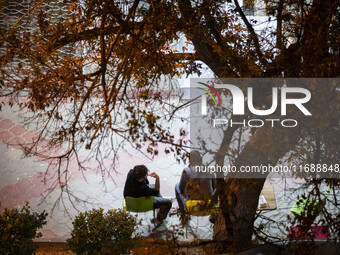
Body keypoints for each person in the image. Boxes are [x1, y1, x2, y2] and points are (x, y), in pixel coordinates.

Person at [175, 151, 216, 222]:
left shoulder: (186, 170)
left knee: (176, 186)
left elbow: (181, 189)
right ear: (201, 160)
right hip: (209, 204)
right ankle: (214, 214)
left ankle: (184, 214)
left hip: (192, 206)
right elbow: (215, 187)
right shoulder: (210, 169)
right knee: (217, 188)